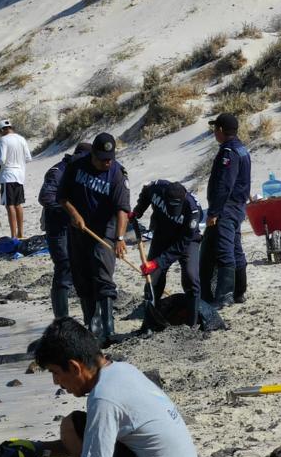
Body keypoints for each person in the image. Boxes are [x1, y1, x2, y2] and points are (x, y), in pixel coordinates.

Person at [0, 318, 198, 457]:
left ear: (74, 367)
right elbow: (97, 443)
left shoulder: (104, 398)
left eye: (55, 373)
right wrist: (38, 449)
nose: (56, 382)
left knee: (71, 425)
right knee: (77, 428)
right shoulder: (122, 371)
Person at [57, 132, 130, 343]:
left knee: (103, 275)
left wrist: (120, 238)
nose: (107, 163)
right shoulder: (76, 166)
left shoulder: (116, 174)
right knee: (82, 278)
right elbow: (62, 197)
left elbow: (122, 210)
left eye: (110, 158)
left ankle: (109, 330)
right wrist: (75, 214)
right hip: (79, 229)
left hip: (105, 229)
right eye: (103, 159)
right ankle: (92, 326)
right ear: (93, 155)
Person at [130, 180, 203, 329]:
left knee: (191, 276)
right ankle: (150, 323)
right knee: (153, 278)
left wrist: (158, 262)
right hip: (162, 235)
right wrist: (138, 210)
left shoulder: (193, 211)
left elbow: (182, 244)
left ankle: (192, 324)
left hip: (187, 241)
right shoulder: (157, 189)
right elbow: (146, 191)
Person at [200, 113, 251, 308]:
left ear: (220, 130)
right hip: (237, 206)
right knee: (236, 248)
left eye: (215, 129)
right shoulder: (241, 149)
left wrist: (213, 212)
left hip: (227, 208)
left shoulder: (229, 152)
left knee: (224, 249)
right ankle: (239, 292)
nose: (214, 133)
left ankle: (225, 296)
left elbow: (224, 185)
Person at [38, 142, 92, 319]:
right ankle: (61, 319)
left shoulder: (84, 171)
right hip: (57, 226)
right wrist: (70, 213)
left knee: (84, 269)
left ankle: (89, 318)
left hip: (78, 227)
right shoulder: (58, 171)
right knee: (64, 266)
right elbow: (46, 197)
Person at [0, 119, 32, 240]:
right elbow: (28, 158)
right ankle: (20, 233)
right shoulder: (21, 139)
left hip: (8, 175)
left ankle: (13, 235)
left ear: (2, 130)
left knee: (10, 205)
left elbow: (1, 160)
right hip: (20, 176)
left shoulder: (3, 140)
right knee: (18, 204)